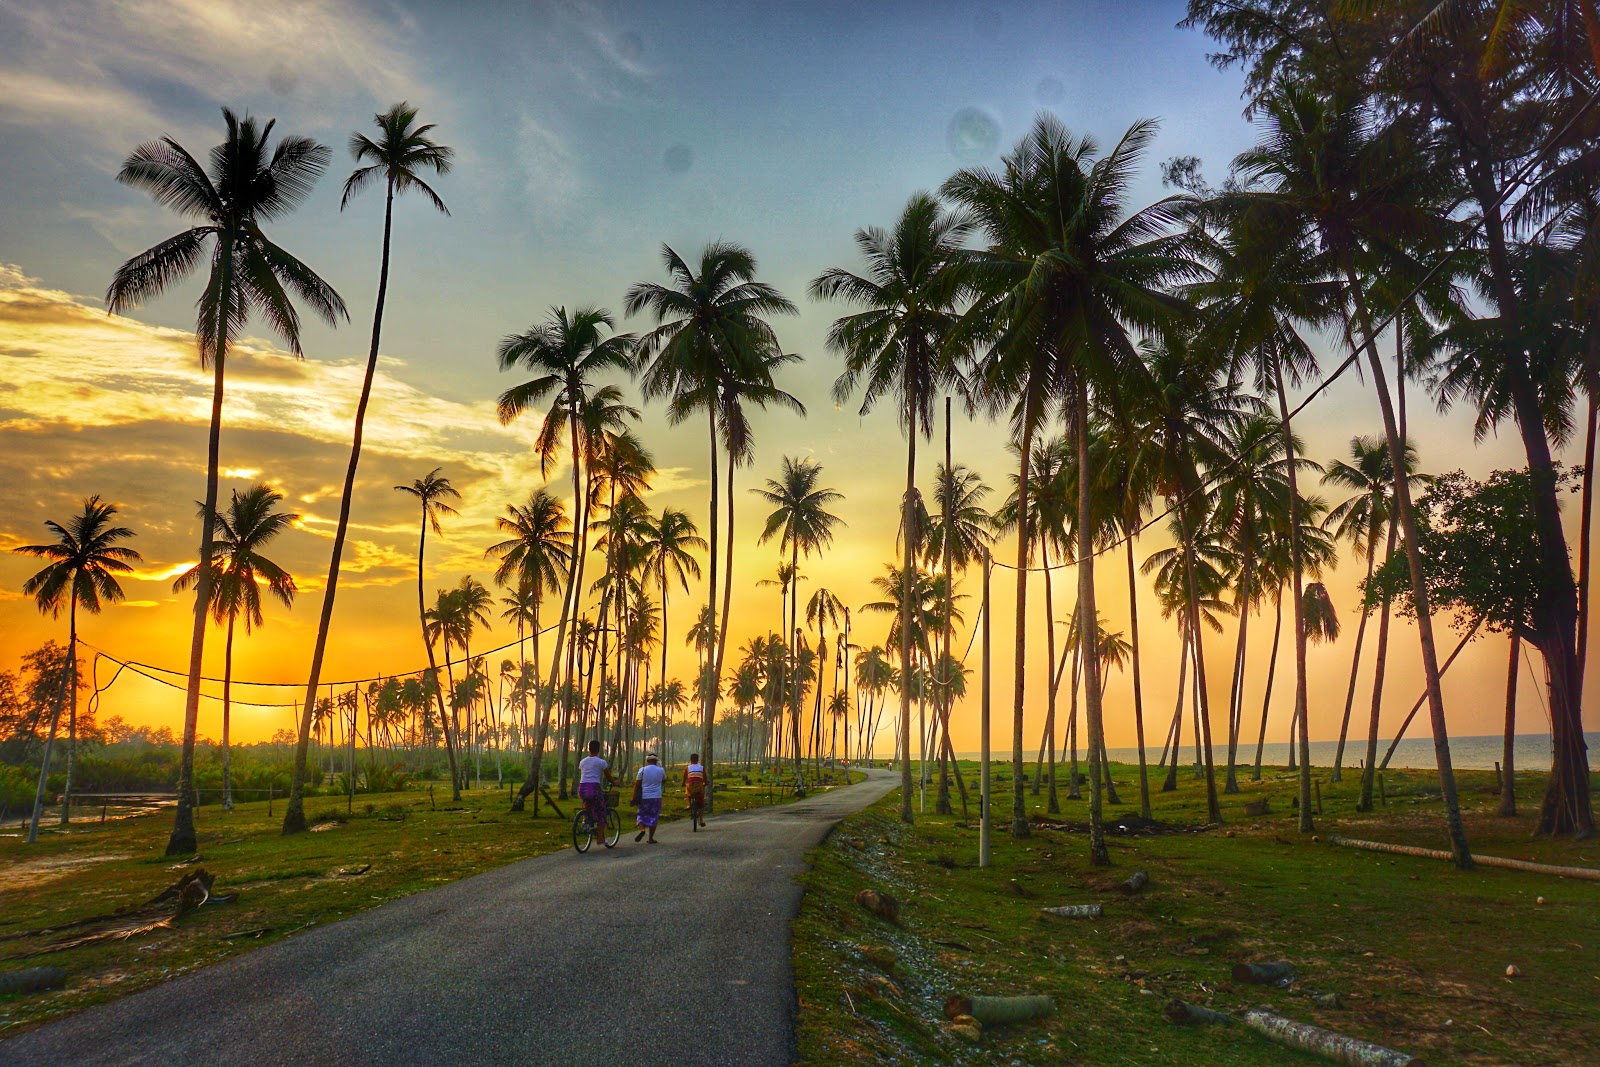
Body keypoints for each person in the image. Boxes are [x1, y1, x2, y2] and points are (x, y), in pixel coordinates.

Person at [576, 739, 613, 840]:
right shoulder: (601, 762)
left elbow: (584, 773)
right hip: (593, 788)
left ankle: (586, 819)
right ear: (599, 750)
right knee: (602, 811)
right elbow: (608, 776)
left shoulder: (582, 762)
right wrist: (615, 782)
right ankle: (600, 837)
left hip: (582, 788)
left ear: (589, 749)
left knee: (587, 804)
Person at [634, 752, 666, 843]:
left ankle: (642, 829)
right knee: (654, 816)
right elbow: (664, 780)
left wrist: (634, 797)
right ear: (656, 761)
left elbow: (637, 785)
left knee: (641, 814)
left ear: (647, 761)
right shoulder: (661, 770)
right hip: (656, 797)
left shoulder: (642, 770)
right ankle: (650, 838)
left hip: (644, 797)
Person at [683, 752, 707, 829]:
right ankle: (701, 819)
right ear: (698, 760)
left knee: (687, 791)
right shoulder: (702, 768)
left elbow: (684, 779)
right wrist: (705, 783)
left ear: (690, 760)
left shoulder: (687, 768)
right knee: (701, 802)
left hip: (691, 786)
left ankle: (689, 804)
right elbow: (705, 779)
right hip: (699, 787)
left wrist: (683, 783)